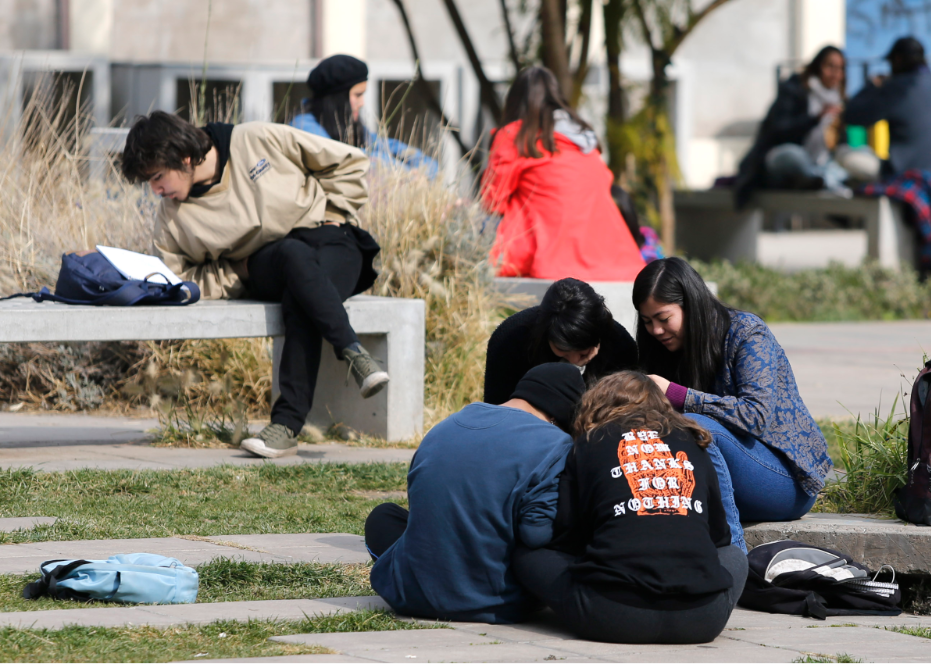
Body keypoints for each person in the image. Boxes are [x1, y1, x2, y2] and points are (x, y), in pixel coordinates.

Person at [120, 111, 388, 459]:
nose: (156, 191)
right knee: (293, 259)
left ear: (184, 157)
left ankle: (286, 428)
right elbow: (178, 280)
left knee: (302, 296)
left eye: (157, 177)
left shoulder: (257, 139)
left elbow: (348, 161)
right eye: (149, 183)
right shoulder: (170, 218)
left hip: (329, 242)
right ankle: (352, 354)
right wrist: (238, 271)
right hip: (265, 264)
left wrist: (336, 214)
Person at [513, 371, 748, 644]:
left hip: (611, 616)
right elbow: (720, 537)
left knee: (525, 553)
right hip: (703, 619)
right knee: (735, 555)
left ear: (596, 404)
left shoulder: (591, 443)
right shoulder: (693, 442)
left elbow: (567, 534)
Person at [633, 258, 831, 551]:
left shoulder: (748, 332)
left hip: (787, 482)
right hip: (724, 477)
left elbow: (755, 415)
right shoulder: (664, 348)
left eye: (664, 318)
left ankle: (733, 552)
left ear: (691, 304)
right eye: (648, 322)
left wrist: (677, 395)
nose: (656, 331)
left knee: (696, 427)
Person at [365, 363, 586, 623]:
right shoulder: (555, 444)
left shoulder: (443, 427)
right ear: (562, 415)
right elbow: (536, 534)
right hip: (495, 602)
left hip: (408, 593)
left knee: (384, 516)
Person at [482, 66, 646, 281]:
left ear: (514, 101)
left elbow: (491, 202)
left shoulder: (515, 135)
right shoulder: (585, 140)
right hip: (617, 262)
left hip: (549, 258)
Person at [735, 46, 862, 207]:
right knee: (793, 156)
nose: (835, 73)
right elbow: (779, 129)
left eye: (841, 68)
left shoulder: (840, 102)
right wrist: (816, 118)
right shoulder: (794, 89)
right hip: (783, 160)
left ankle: (826, 182)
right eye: (830, 66)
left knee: (856, 156)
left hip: (822, 164)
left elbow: (840, 145)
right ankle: (824, 182)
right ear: (817, 66)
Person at [484, 278, 637, 404]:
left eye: (583, 353)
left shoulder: (620, 345)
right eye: (562, 351)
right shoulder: (510, 338)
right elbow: (497, 408)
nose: (574, 360)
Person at [290, 54, 438, 175]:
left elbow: (394, 149)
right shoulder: (304, 129)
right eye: (357, 95)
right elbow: (349, 160)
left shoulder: (352, 129)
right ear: (336, 98)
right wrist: (405, 173)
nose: (362, 103)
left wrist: (420, 171)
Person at [843, 37, 931, 184]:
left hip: (908, 175)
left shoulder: (898, 88)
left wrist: (871, 86)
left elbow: (851, 116)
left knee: (843, 154)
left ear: (897, 59)